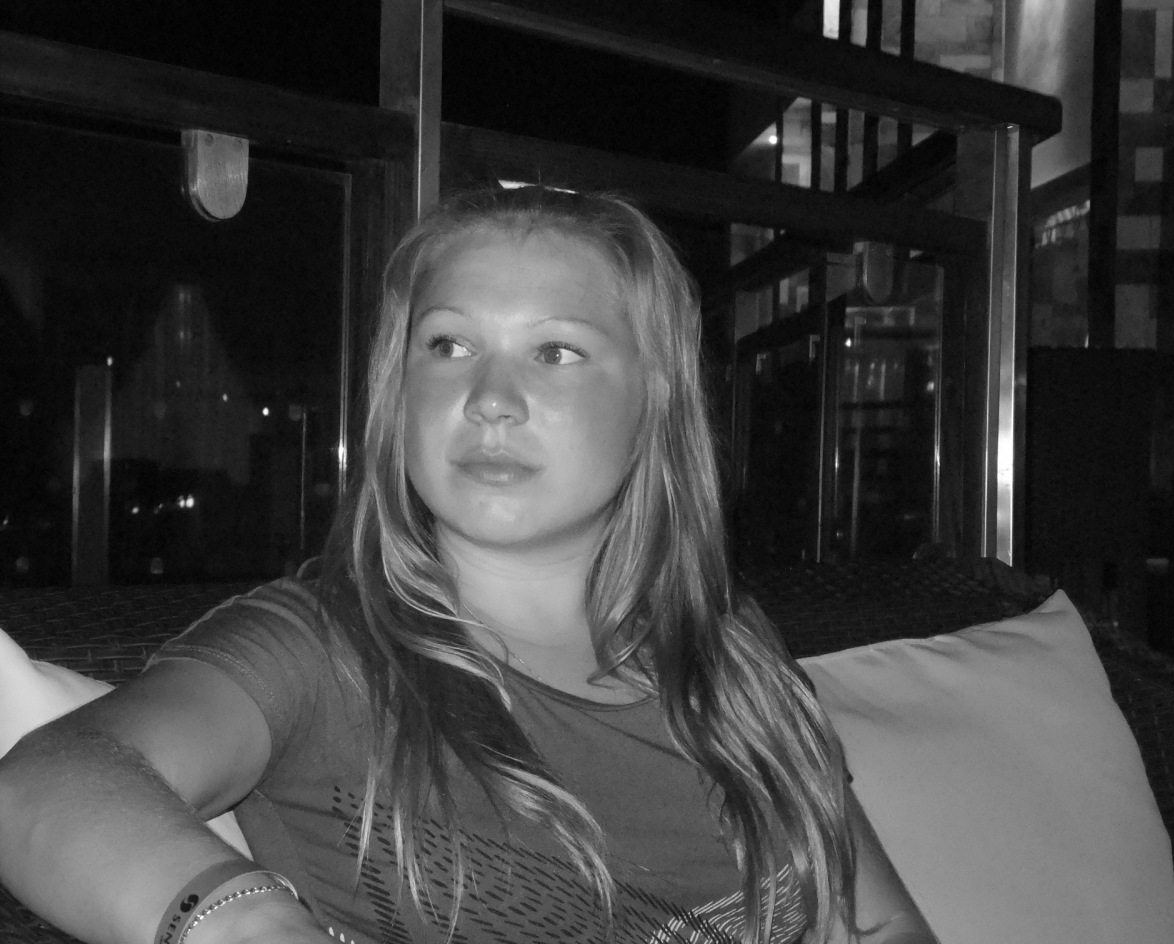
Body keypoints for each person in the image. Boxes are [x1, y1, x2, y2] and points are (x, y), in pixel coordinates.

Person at [0, 186, 935, 944]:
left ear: (655, 404)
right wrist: (246, 921)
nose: (489, 397)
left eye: (555, 351)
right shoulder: (318, 649)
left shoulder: (732, 652)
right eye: (448, 345)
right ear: (398, 394)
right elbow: (43, 784)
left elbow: (880, 923)